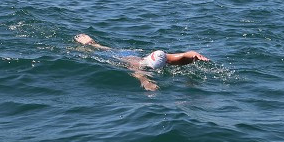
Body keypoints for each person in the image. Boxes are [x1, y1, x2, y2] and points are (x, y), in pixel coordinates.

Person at [74, 33, 209, 91]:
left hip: (134, 53)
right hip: (124, 57)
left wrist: (195, 55)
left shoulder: (164, 57)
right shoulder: (137, 66)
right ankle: (90, 43)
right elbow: (140, 76)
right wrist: (147, 83)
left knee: (110, 49)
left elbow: (184, 56)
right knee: (104, 50)